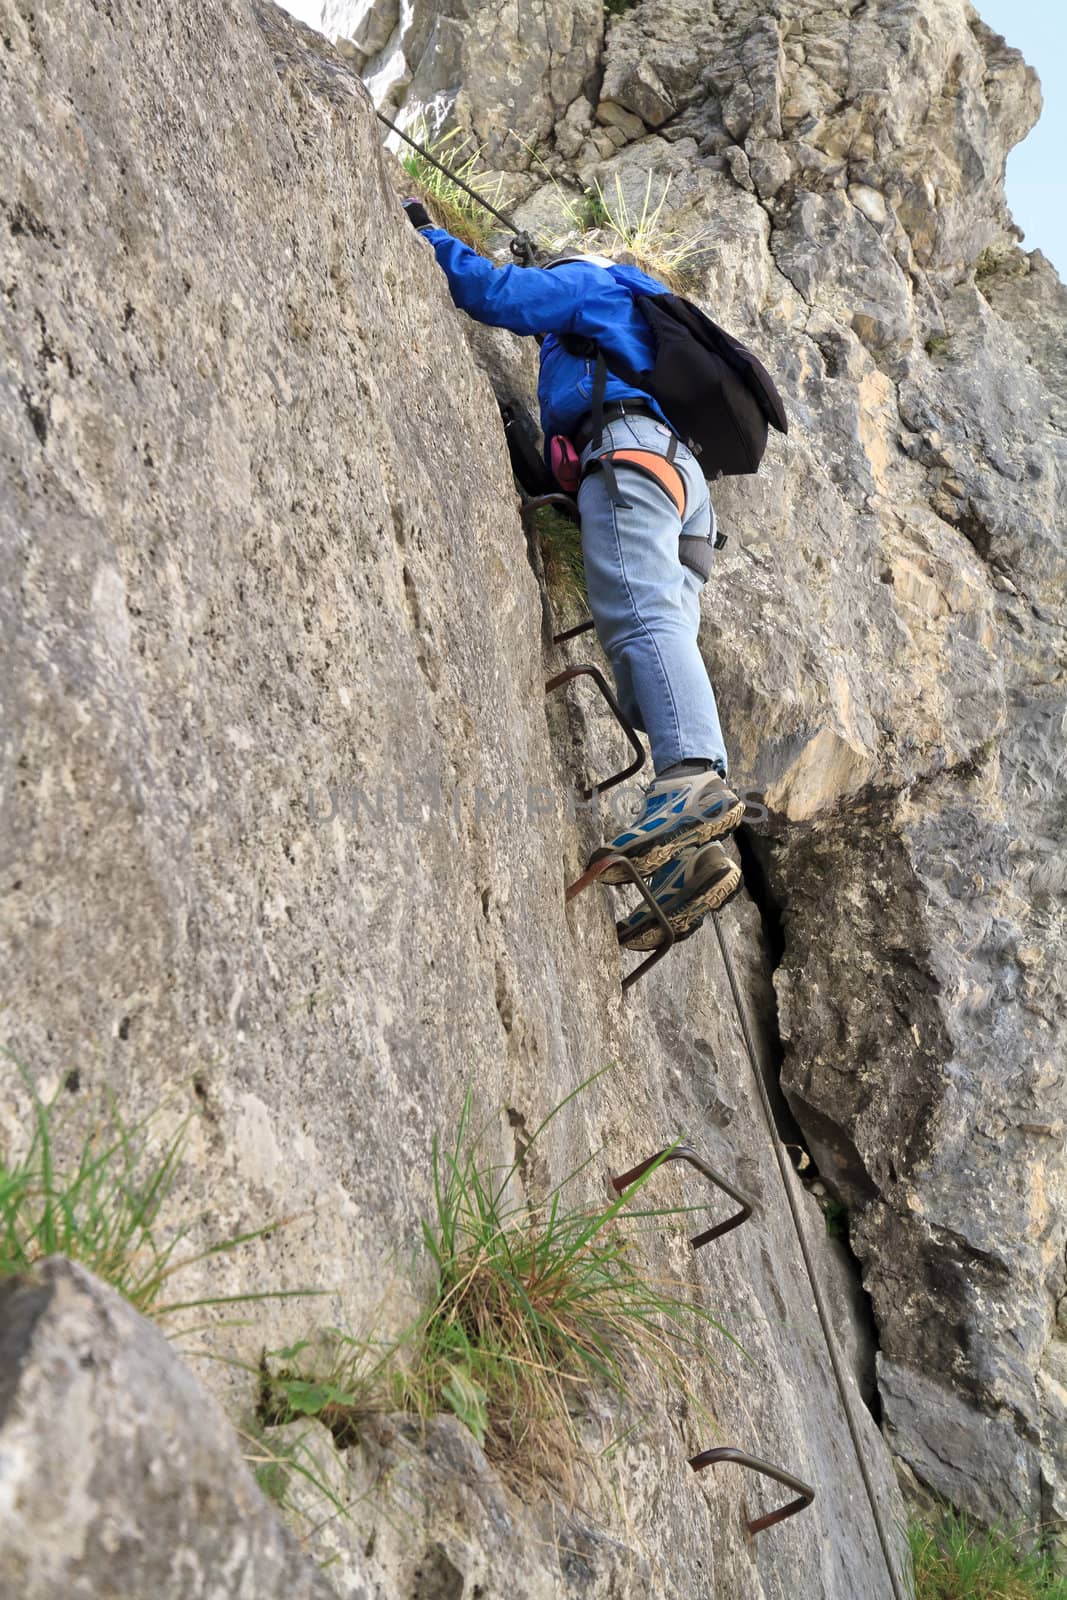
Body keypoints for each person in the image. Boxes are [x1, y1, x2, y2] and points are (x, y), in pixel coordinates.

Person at [403, 198, 744, 948]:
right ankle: (690, 863)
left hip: (631, 454)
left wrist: (423, 233)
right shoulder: (638, 330)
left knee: (641, 619)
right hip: (683, 488)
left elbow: (495, 294)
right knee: (650, 652)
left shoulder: (597, 287)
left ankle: (690, 779)